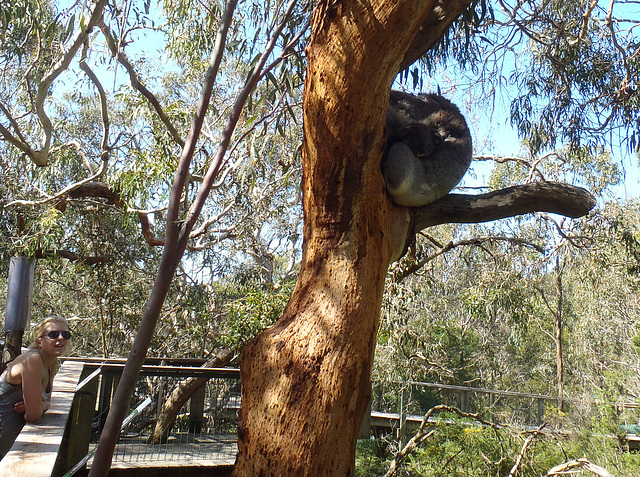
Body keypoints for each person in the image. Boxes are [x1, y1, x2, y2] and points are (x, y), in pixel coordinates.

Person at [0, 316, 71, 459]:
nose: (60, 338)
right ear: (39, 341)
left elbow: (44, 402)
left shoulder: (51, 362)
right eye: (53, 334)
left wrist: (41, 404)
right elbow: (33, 415)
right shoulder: (33, 360)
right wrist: (40, 406)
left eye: (65, 334)